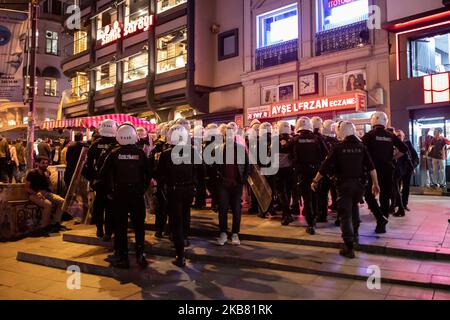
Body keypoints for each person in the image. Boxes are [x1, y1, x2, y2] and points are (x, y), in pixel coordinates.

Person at [311, 121, 380, 258]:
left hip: (344, 186)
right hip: (359, 185)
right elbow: (371, 167)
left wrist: (315, 180)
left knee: (344, 215)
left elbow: (325, 166)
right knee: (354, 209)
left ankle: (349, 247)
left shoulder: (338, 147)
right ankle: (355, 236)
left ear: (341, 132)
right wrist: (375, 184)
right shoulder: (361, 147)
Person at [100, 124, 151, 269]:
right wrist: (142, 189)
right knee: (139, 225)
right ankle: (140, 254)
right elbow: (148, 174)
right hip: (136, 194)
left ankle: (122, 256)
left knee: (120, 226)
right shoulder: (141, 153)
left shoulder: (114, 153)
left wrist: (110, 192)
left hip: (119, 194)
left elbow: (103, 175)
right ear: (134, 136)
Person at [157, 124, 197, 267]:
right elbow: (199, 170)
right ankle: (184, 238)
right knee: (186, 215)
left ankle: (180, 255)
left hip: (174, 190)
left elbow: (160, 175)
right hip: (188, 189)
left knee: (176, 221)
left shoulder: (166, 154)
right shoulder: (192, 151)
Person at [362, 112, 408, 234]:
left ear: (373, 122)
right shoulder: (390, 135)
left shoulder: (369, 135)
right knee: (385, 197)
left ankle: (380, 218)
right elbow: (404, 149)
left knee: (368, 195)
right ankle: (382, 224)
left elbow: (361, 151)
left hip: (373, 171)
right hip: (388, 170)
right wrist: (393, 158)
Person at [215, 123, 250, 246]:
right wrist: (219, 179)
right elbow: (214, 166)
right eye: (226, 135)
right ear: (224, 136)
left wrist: (243, 180)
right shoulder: (219, 149)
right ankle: (223, 233)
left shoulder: (240, 149)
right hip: (223, 184)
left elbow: (247, 166)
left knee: (236, 209)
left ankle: (235, 233)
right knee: (223, 209)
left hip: (236, 184)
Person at [291, 117, 328, 235]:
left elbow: (284, 149)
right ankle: (315, 219)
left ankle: (311, 224)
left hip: (302, 173)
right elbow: (326, 154)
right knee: (315, 197)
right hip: (316, 172)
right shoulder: (317, 139)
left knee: (307, 199)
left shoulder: (295, 140)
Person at [83, 120, 118, 241]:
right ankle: (108, 232)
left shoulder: (95, 144)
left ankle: (99, 228)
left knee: (99, 205)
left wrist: (92, 178)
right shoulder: (118, 143)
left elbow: (88, 164)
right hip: (113, 182)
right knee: (110, 208)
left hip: (99, 181)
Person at [24, 157, 66, 232]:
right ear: (37, 163)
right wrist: (36, 193)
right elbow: (27, 188)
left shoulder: (46, 173)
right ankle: (44, 227)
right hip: (34, 194)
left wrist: (47, 178)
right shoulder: (32, 173)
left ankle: (55, 223)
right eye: (43, 163)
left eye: (46, 163)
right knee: (48, 204)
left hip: (46, 193)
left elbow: (51, 188)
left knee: (63, 202)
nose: (45, 165)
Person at [150, 123, 171, 238]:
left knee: (171, 208)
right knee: (161, 207)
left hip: (172, 182)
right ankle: (159, 228)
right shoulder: (158, 147)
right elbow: (152, 164)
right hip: (162, 182)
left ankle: (169, 230)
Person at [275, 121, 294, 226]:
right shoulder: (293, 139)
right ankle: (288, 212)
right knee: (288, 191)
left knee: (282, 192)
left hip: (279, 169)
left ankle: (286, 214)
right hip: (290, 170)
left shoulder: (275, 140)